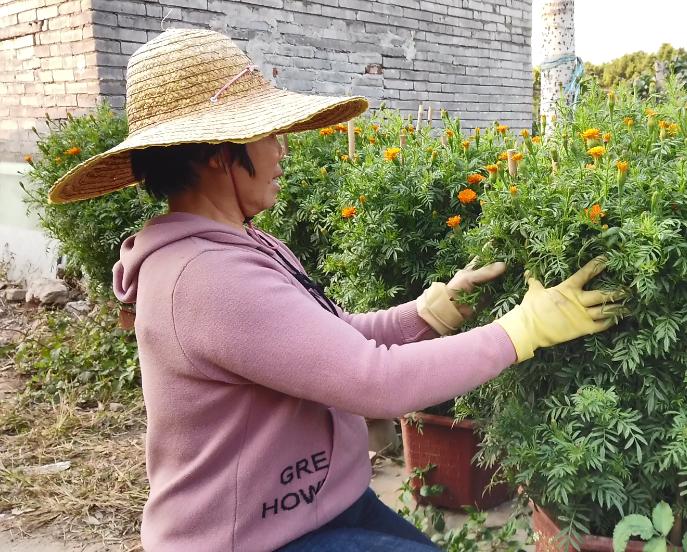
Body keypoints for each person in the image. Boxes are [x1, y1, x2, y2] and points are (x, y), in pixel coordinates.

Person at [48, 28, 624, 552]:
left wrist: (429, 313)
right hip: (249, 538)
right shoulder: (204, 277)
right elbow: (376, 382)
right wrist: (523, 330)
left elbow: (329, 342)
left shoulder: (239, 245)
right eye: (271, 135)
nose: (283, 151)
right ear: (221, 153)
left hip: (312, 508)